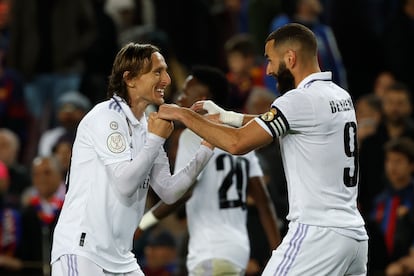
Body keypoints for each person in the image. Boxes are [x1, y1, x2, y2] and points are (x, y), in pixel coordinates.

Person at [157, 23, 369, 275]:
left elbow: (237, 144)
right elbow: (278, 122)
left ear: (290, 58)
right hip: (354, 236)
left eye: (270, 60)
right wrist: (228, 117)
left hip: (317, 234)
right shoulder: (339, 96)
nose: (267, 70)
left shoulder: (298, 100)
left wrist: (184, 116)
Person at [50, 43, 214, 276]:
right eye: (157, 72)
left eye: (165, 71)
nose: (167, 79)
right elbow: (126, 184)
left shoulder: (146, 127)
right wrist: (156, 139)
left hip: (122, 258)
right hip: (83, 251)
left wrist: (206, 148)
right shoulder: (106, 117)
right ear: (130, 79)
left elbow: (168, 191)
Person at [137, 65, 280, 275]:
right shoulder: (242, 135)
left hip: (209, 251)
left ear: (202, 98)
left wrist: (143, 224)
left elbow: (182, 191)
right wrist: (278, 252)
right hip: (238, 251)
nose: (179, 96)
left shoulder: (190, 135)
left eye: (186, 91)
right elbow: (263, 200)